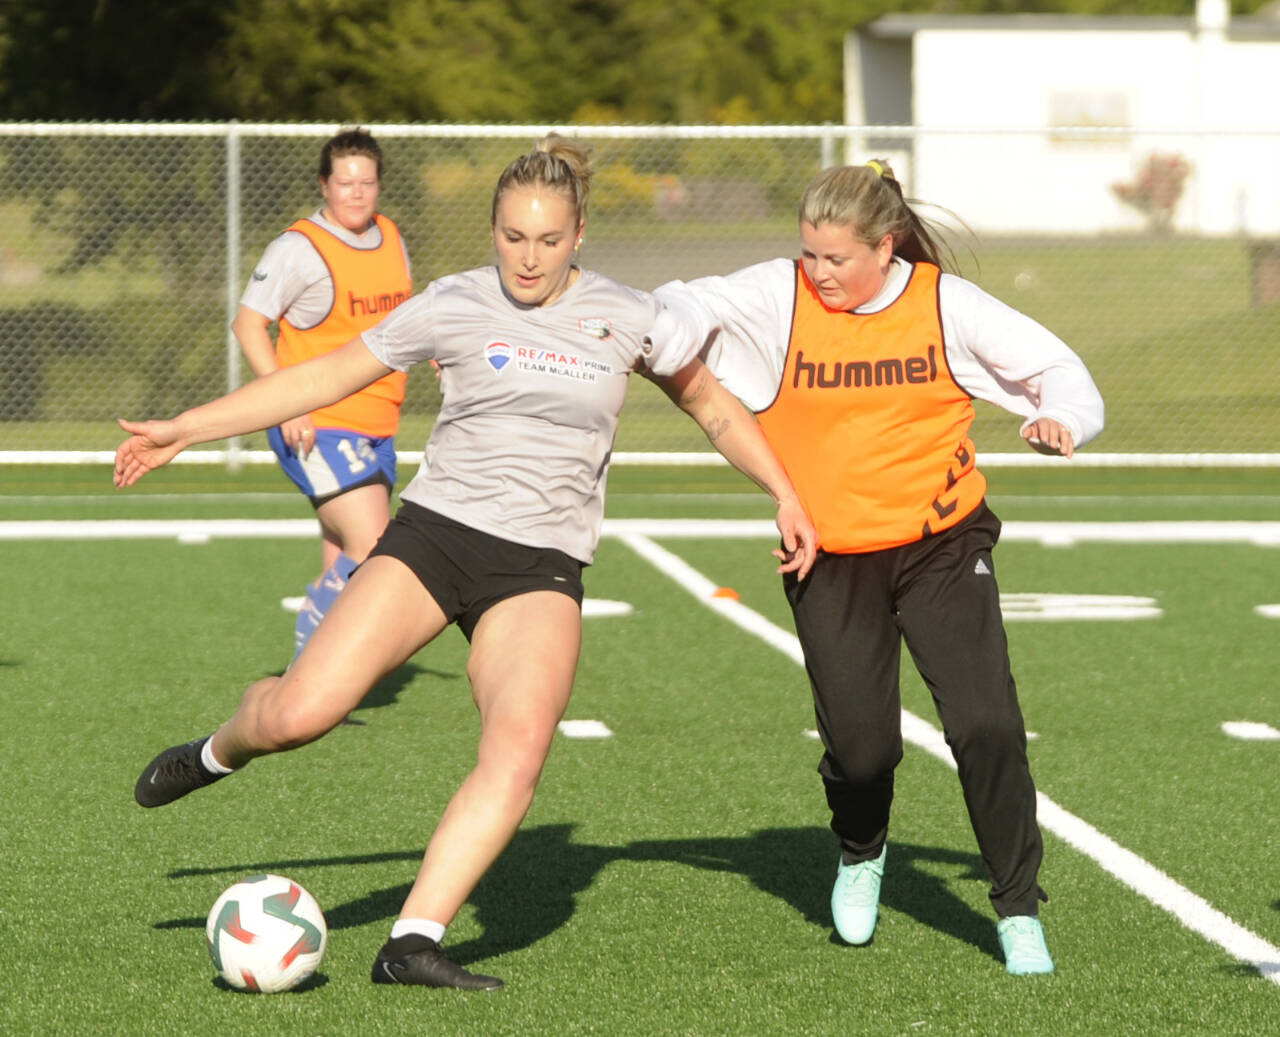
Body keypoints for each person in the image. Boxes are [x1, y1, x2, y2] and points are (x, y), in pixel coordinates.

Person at [116, 135, 816, 991]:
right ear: (493, 229)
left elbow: (714, 407)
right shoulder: (451, 302)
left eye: (549, 240)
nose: (529, 257)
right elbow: (321, 378)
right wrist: (186, 428)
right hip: (436, 537)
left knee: (518, 749)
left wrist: (783, 489)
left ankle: (412, 939)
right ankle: (220, 748)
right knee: (299, 714)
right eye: (513, 237)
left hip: (542, 564)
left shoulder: (630, 314)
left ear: (580, 233)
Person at [652, 159, 1105, 975]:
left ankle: (1016, 905)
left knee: (986, 723)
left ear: (885, 245)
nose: (819, 273)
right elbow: (685, 302)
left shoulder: (943, 302)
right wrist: (649, 326)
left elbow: (1062, 369)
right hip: (828, 553)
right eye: (810, 255)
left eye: (838, 259)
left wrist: (1060, 414)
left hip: (941, 543)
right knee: (862, 752)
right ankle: (861, 851)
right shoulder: (781, 292)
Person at [232, 127, 413, 657]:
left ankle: (326, 680)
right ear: (324, 184)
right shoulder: (298, 248)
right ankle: (311, 650)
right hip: (318, 423)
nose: (356, 193)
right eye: (345, 182)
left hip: (378, 425)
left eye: (367, 182)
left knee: (344, 556)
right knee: (378, 546)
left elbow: (398, 321)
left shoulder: (391, 235)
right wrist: (288, 400)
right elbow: (248, 325)